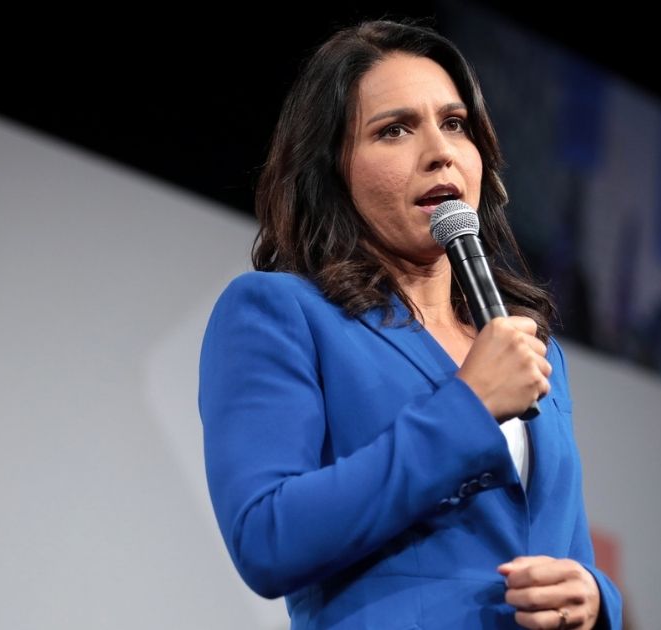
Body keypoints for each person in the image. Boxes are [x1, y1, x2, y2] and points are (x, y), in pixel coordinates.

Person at [199, 19, 623, 630]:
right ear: (331, 169)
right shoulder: (279, 313)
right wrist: (469, 407)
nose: (439, 151)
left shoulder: (529, 346)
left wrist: (593, 596)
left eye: (454, 124)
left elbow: (561, 543)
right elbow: (266, 537)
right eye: (394, 130)